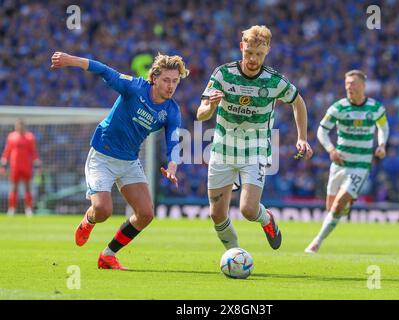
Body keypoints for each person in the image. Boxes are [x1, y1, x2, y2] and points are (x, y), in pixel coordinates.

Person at [50, 51, 188, 270]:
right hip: (103, 156)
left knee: (145, 214)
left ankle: (107, 255)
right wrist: (71, 61)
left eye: (175, 81)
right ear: (154, 78)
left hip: (129, 161)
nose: (171, 86)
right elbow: (105, 70)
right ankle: (89, 220)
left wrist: (172, 166)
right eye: (166, 80)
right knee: (103, 211)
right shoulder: (134, 87)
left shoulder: (171, 111)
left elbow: (173, 141)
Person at [196, 25, 313, 251]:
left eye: (258, 54)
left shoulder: (274, 81)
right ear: (242, 47)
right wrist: (210, 106)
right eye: (248, 53)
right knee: (217, 214)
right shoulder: (223, 74)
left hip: (256, 148)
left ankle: (266, 219)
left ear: (267, 51)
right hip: (222, 148)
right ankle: (235, 254)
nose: (252, 58)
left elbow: (298, 102)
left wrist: (302, 137)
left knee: (248, 210)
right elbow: (201, 114)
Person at [304, 70, 389, 253]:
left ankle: (316, 242)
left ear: (363, 86)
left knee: (338, 204)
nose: (350, 87)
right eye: (347, 84)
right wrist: (331, 149)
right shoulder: (338, 108)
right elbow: (321, 131)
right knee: (331, 208)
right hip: (340, 163)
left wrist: (381, 145)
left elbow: (383, 127)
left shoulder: (375, 108)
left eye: (354, 83)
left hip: (361, 164)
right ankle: (347, 204)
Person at [1, 119, 42, 216]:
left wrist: (37, 163)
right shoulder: (12, 137)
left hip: (26, 166)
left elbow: (33, 152)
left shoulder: (30, 137)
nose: (19, 127)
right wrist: (3, 161)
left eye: (21, 125)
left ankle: (28, 209)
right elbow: (7, 150)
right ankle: (12, 209)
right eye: (18, 125)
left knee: (27, 188)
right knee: (14, 188)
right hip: (15, 166)